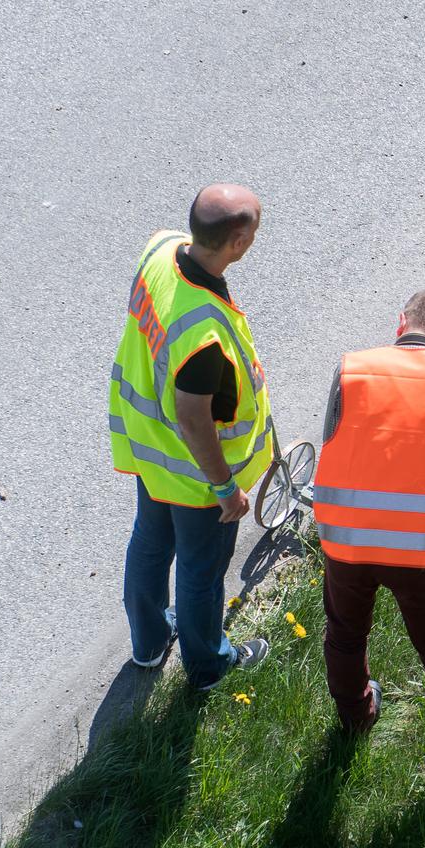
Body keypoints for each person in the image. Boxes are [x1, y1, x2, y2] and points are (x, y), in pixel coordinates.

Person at [312, 290, 425, 789]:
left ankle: (355, 715)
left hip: (348, 541)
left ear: (401, 324)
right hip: (424, 551)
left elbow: (334, 435)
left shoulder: (352, 370)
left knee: (345, 634)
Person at [109, 183, 275, 690]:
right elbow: (193, 418)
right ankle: (208, 666)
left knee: (151, 540)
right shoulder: (202, 333)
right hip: (195, 473)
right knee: (202, 571)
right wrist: (225, 487)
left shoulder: (162, 248)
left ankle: (150, 643)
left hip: (148, 443)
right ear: (239, 241)